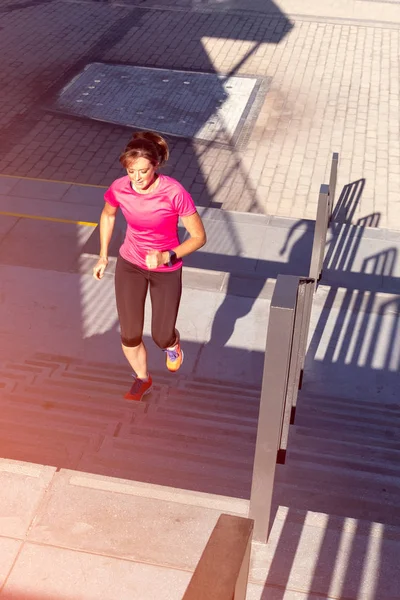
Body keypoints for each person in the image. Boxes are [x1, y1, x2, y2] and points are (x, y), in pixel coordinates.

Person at [93, 131, 206, 401]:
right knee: (129, 335)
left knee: (161, 335)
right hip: (130, 263)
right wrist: (102, 255)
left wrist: (167, 255)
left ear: (155, 166)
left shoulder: (174, 192)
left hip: (165, 270)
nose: (137, 178)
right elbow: (108, 215)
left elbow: (199, 237)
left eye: (143, 171)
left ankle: (173, 344)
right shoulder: (119, 187)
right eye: (132, 171)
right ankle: (142, 379)